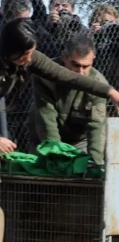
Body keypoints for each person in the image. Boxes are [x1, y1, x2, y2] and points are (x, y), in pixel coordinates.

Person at [0, 18, 119, 242]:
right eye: (23, 56)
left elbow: (69, 79)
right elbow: (46, 117)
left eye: (30, 54)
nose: (28, 60)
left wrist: (112, 93)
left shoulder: (30, 58)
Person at [29, 35, 108, 164]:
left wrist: (96, 162)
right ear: (64, 56)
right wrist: (56, 155)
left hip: (79, 140)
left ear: (93, 59)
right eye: (75, 64)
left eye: (86, 66)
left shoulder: (99, 83)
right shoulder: (44, 75)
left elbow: (97, 127)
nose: (80, 73)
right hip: (45, 136)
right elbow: (46, 117)